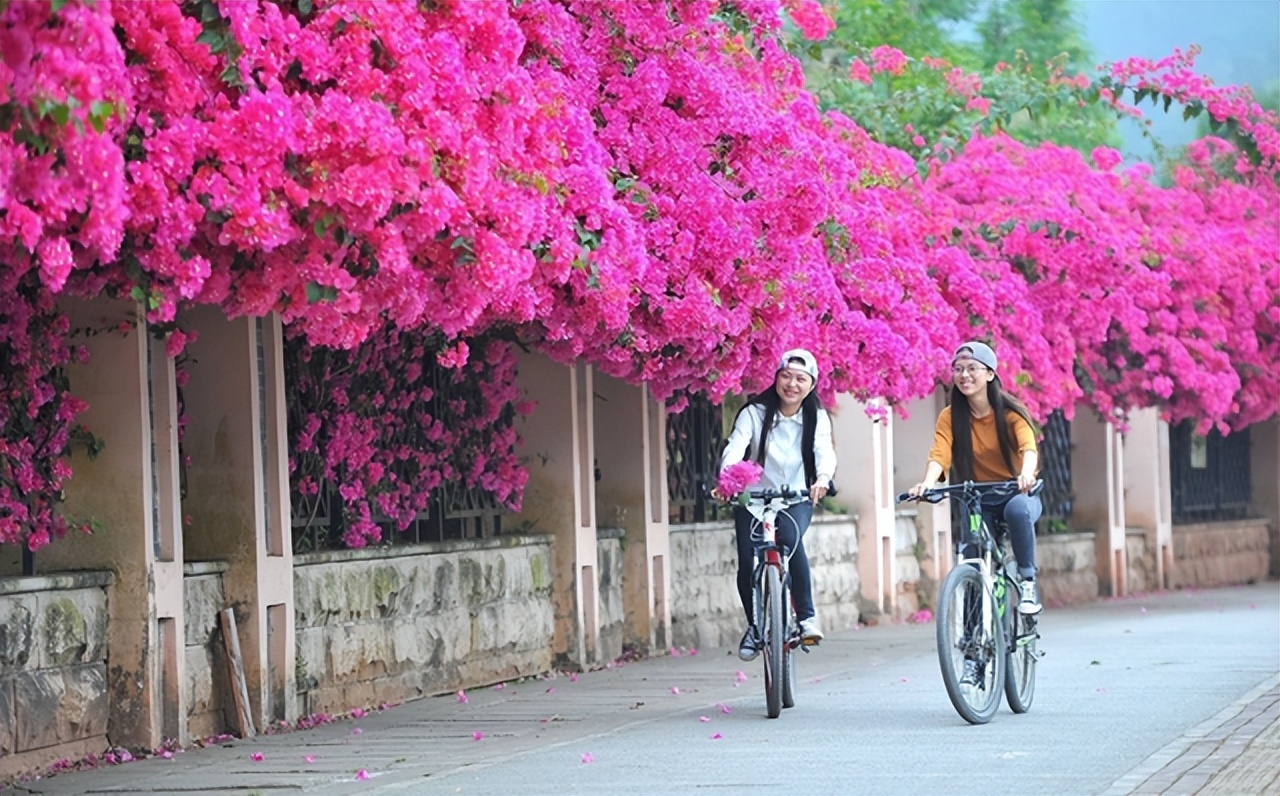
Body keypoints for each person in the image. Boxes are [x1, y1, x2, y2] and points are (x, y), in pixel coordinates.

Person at [715, 348, 837, 662]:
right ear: (776, 377)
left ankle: (806, 617)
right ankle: (755, 626)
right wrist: (728, 480)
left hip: (796, 496)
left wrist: (822, 478)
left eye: (801, 379)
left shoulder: (816, 417)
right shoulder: (754, 412)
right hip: (753, 498)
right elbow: (735, 448)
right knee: (746, 559)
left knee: (790, 540)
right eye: (786, 376)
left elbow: (824, 451)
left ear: (811, 385)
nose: (792, 384)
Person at [908, 341, 1043, 622]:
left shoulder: (1010, 412)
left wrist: (1027, 474)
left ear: (990, 374)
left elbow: (1028, 447)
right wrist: (928, 483)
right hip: (978, 498)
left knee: (1017, 510)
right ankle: (971, 658)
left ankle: (1028, 583)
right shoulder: (950, 417)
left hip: (1015, 492)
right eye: (958, 369)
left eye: (972, 369)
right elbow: (940, 454)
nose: (964, 375)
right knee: (971, 561)